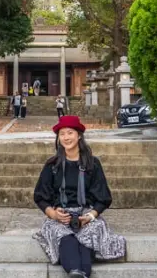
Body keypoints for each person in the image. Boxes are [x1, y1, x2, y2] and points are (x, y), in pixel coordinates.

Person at [33, 115, 125, 277]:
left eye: (70, 133)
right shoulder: (52, 165)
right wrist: (53, 214)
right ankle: (78, 272)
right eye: (62, 134)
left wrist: (90, 216)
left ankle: (77, 273)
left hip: (86, 215)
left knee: (87, 237)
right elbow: (40, 197)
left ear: (79, 135)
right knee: (66, 238)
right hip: (59, 216)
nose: (66, 138)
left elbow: (103, 197)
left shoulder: (92, 164)